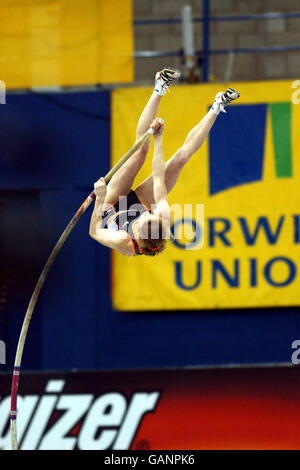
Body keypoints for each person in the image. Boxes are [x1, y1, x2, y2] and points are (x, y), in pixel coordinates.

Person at [89, 68, 240, 257]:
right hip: (139, 203)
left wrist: (100, 198)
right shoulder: (162, 217)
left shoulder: (123, 241)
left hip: (109, 206)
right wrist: (158, 137)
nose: (145, 214)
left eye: (145, 218)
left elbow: (94, 232)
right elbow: (159, 176)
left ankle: (157, 87)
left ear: (138, 233)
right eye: (149, 214)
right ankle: (217, 106)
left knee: (139, 152)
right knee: (179, 158)